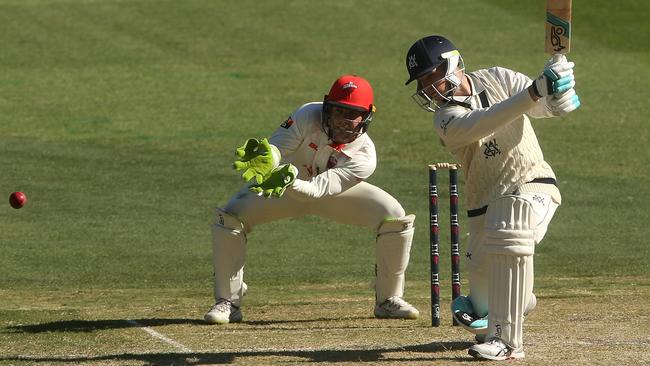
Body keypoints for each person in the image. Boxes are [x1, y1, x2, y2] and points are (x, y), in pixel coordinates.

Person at [404, 35, 580, 360]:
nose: (429, 86)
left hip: (531, 183)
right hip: (483, 205)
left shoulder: (498, 77)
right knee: (483, 302)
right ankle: (515, 303)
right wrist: (535, 91)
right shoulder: (444, 119)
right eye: (423, 81)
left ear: (454, 63)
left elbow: (543, 107)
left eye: (433, 75)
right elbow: (486, 120)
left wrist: (559, 92)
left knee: (510, 226)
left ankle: (508, 342)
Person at [205, 75, 419, 325]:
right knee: (231, 214)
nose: (343, 121)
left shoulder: (365, 157)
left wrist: (288, 180)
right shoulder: (308, 114)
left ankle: (388, 300)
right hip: (279, 191)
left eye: (352, 114)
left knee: (393, 214)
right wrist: (268, 159)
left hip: (328, 194)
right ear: (327, 108)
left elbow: (317, 191)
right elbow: (277, 148)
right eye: (338, 111)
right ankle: (228, 302)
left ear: (366, 117)